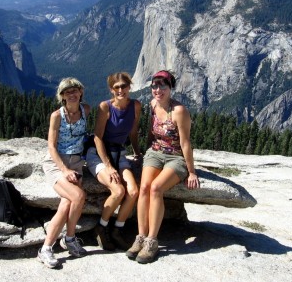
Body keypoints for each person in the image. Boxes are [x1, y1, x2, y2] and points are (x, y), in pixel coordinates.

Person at [126, 70, 200, 264]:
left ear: (170, 88)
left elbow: (185, 143)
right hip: (155, 153)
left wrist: (191, 172)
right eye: (154, 86)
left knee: (156, 188)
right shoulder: (152, 105)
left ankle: (152, 241)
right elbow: (152, 132)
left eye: (162, 86)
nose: (158, 90)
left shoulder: (179, 111)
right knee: (143, 188)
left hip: (176, 157)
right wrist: (144, 153)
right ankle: (140, 237)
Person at [37, 77, 91, 268]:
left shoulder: (86, 110)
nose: (72, 94)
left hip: (76, 162)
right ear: (62, 96)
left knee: (67, 202)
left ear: (81, 92)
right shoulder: (57, 116)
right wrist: (64, 170)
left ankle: (47, 248)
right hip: (56, 163)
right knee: (77, 196)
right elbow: (51, 146)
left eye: (75, 90)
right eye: (68, 91)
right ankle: (68, 238)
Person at [85, 72, 142, 251]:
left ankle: (118, 229)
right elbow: (97, 138)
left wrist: (138, 153)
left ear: (129, 86)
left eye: (124, 86)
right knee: (118, 191)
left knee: (133, 192)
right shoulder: (105, 107)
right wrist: (108, 167)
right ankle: (101, 228)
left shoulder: (136, 106)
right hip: (98, 154)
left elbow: (133, 132)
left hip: (120, 152)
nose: (120, 90)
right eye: (116, 87)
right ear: (111, 89)